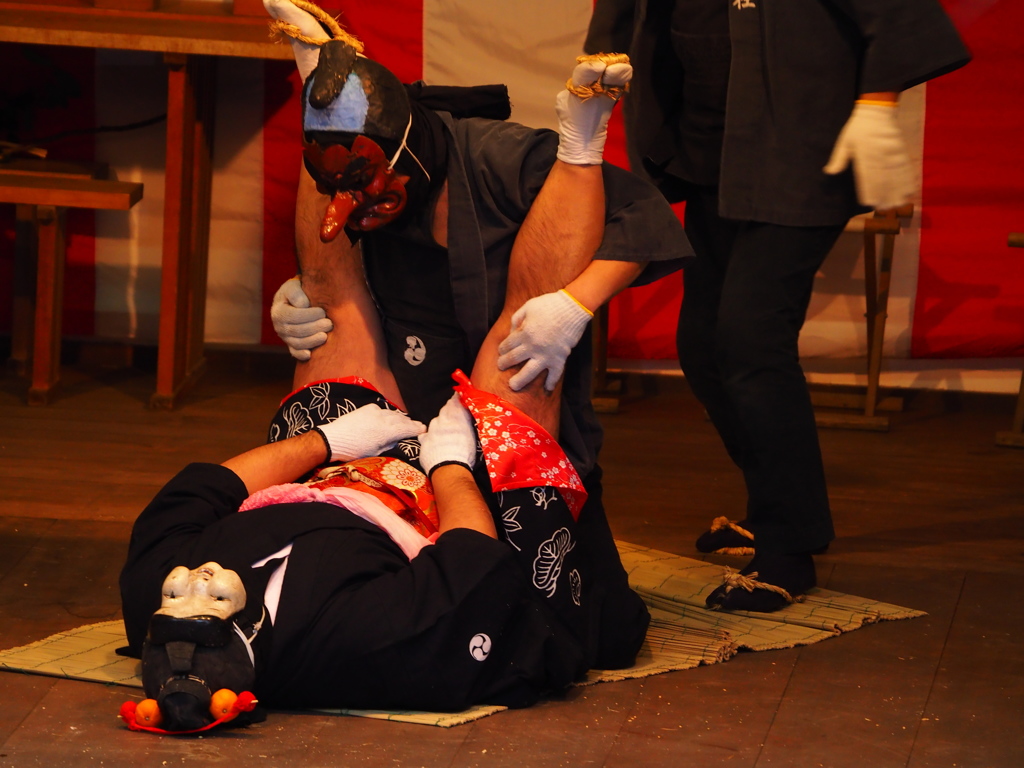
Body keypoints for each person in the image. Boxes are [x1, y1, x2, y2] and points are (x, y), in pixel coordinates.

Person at [117, 72, 655, 727]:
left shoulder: (157, 591)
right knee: (524, 336)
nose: (188, 582)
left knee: (329, 297)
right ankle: (580, 146)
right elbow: (472, 567)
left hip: (332, 461)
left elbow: (205, 488)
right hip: (444, 501)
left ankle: (326, 83)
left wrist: (325, 442)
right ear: (248, 637)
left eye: (170, 599)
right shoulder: (361, 641)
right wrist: (452, 459)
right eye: (200, 605)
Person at [580, 0, 970, 611]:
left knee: (750, 343)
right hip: (712, 153)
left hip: (797, 150)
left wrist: (877, 100)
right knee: (704, 349)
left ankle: (789, 547)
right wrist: (595, 70)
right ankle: (775, 509)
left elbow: (899, 13)